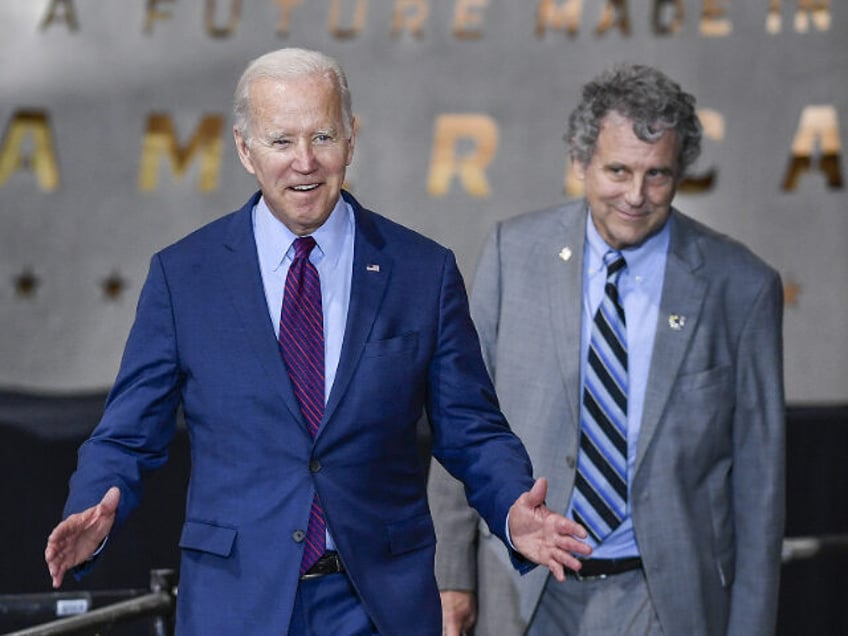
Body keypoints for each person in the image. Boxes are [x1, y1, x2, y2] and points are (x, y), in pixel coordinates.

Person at [43, 48, 593, 635]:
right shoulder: (185, 277)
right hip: (238, 602)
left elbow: (471, 428)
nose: (305, 163)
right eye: (281, 141)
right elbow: (127, 436)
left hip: (376, 604)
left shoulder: (420, 272)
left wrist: (512, 507)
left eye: (323, 136)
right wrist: (91, 510)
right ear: (244, 149)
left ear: (351, 139)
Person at [428, 63, 785, 636]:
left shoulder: (740, 286)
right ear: (579, 163)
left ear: (681, 172)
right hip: (525, 589)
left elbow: (759, 490)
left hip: (667, 600)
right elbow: (461, 421)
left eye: (658, 175)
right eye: (618, 170)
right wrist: (450, 576)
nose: (636, 196)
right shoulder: (511, 253)